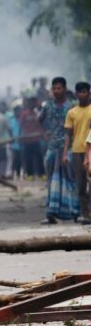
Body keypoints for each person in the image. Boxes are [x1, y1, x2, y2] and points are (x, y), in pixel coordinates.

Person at [41, 77, 79, 224]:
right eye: (54, 88)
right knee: (51, 180)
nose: (57, 91)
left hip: (69, 147)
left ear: (64, 89)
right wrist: (45, 134)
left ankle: (76, 211)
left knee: (71, 179)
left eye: (59, 88)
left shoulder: (72, 106)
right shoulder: (48, 106)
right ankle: (51, 212)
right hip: (52, 147)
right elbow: (40, 120)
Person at [68, 81, 91, 223]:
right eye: (80, 92)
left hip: (90, 150)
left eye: (85, 92)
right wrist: (65, 152)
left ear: (89, 93)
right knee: (81, 185)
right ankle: (86, 214)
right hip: (77, 150)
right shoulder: (72, 112)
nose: (83, 94)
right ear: (76, 94)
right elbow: (68, 134)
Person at [19, 97, 45, 180]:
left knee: (39, 157)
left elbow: (40, 125)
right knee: (28, 158)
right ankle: (30, 175)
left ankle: (42, 174)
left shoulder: (37, 113)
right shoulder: (24, 114)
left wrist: (42, 134)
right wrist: (21, 136)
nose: (31, 104)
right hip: (27, 140)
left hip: (36, 139)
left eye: (33, 103)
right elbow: (21, 126)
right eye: (30, 103)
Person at [8, 104, 23, 179]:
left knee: (21, 160)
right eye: (16, 111)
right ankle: (12, 173)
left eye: (18, 111)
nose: (17, 112)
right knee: (14, 160)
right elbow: (9, 131)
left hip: (22, 143)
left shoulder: (22, 120)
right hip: (14, 144)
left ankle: (19, 174)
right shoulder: (11, 120)